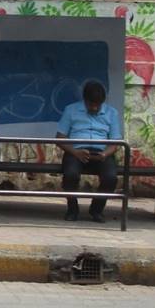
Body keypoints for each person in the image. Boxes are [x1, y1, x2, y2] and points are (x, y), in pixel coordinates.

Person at [56, 80, 123, 223]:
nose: (94, 108)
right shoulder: (71, 110)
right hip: (76, 152)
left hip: (101, 153)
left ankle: (97, 210)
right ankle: (72, 209)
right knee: (70, 175)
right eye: (91, 104)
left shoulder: (112, 113)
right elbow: (60, 138)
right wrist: (75, 152)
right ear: (84, 100)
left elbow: (116, 142)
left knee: (111, 178)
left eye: (97, 105)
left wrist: (105, 154)